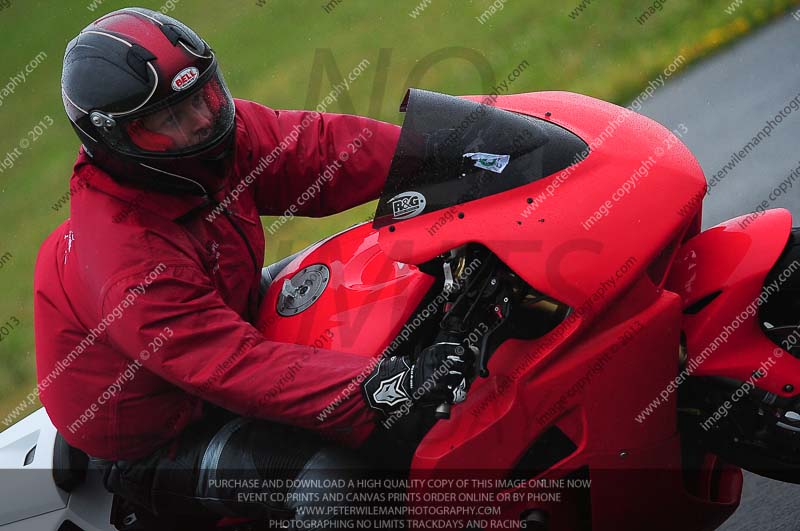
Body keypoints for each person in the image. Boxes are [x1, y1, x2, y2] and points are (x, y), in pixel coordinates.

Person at [33, 7, 470, 528]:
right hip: (161, 433)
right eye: (169, 119)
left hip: (227, 308)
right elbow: (230, 366)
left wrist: (450, 157)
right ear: (117, 140)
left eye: (203, 98)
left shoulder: (209, 139)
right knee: (335, 482)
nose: (200, 121)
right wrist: (384, 387)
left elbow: (320, 151)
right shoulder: (127, 259)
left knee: (386, 274)